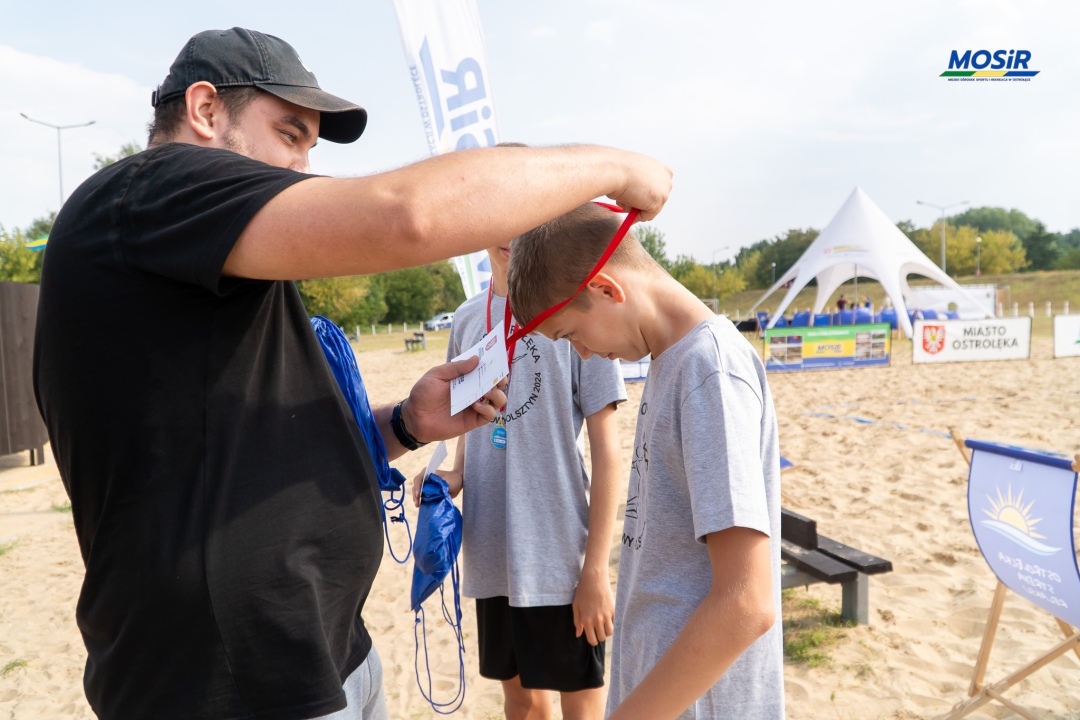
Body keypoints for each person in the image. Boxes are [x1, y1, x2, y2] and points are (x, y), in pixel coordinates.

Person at [32, 28, 671, 720]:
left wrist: (401, 425)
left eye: (311, 148)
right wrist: (613, 169)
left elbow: (234, 453)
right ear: (206, 111)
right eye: (290, 134)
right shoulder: (148, 192)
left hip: (322, 651)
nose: (302, 168)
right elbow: (408, 215)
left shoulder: (201, 256)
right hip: (228, 683)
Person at [506, 203, 783, 719]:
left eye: (570, 335)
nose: (582, 355)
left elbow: (746, 603)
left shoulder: (709, 371)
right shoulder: (671, 360)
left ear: (608, 289)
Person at [413, 185, 626, 719]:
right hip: (493, 548)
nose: (509, 235)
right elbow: (471, 421)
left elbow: (608, 454)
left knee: (581, 703)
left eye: (521, 218)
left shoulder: (580, 309)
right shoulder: (466, 320)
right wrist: (454, 476)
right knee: (523, 704)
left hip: (560, 552)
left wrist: (596, 569)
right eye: (497, 217)